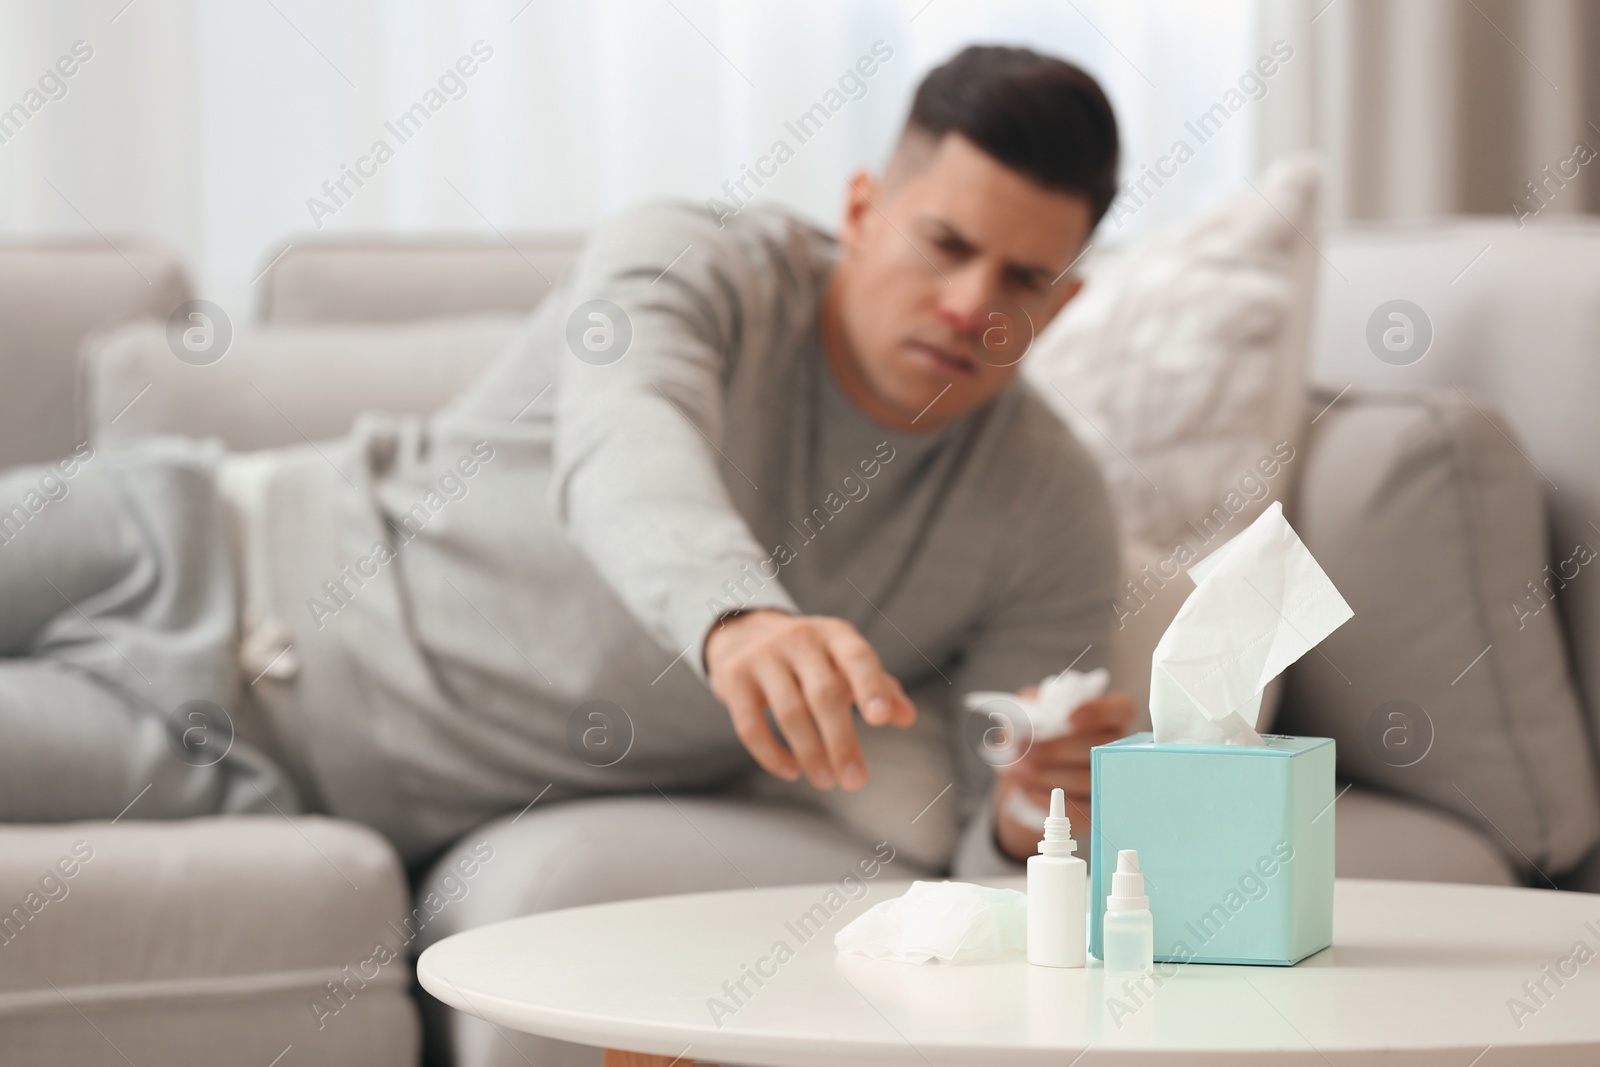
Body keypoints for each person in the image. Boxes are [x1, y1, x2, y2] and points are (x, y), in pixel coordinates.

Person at [0, 45, 1132, 869]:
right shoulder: (692, 260)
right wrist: (738, 616)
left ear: (1066, 297)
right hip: (187, 527)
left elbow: (1004, 860)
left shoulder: (1048, 508)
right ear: (864, 208)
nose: (971, 304)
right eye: (945, 243)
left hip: (256, 760)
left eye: (1023, 279)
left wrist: (1035, 808)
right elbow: (622, 444)